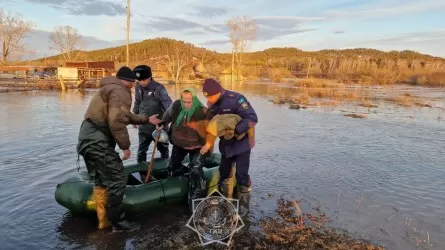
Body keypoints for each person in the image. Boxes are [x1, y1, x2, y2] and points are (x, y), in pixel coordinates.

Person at [76, 66, 161, 232]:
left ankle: (103, 221)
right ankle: (119, 223)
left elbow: (125, 115)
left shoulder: (108, 88)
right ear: (127, 81)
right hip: (97, 141)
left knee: (100, 180)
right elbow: (116, 121)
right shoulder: (120, 91)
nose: (132, 86)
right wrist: (126, 147)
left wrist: (146, 119)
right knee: (117, 178)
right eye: (132, 83)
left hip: (86, 140)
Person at [199, 78, 258, 217]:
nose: (209, 100)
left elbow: (252, 118)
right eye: (206, 97)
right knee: (224, 172)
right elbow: (212, 128)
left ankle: (243, 205)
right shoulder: (212, 106)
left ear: (218, 91)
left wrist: (237, 130)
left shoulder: (236, 99)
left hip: (242, 143)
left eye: (211, 96)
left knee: (242, 174)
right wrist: (207, 145)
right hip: (226, 144)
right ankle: (226, 200)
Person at [158, 87, 214, 198]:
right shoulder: (176, 106)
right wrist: (161, 125)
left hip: (197, 146)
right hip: (179, 144)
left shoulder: (204, 111)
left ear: (194, 99)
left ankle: (197, 194)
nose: (186, 104)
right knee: (172, 166)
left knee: (196, 170)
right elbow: (166, 118)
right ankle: (177, 187)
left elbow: (212, 132)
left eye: (189, 102)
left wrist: (207, 146)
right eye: (184, 101)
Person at [132, 65, 172, 163]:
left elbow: (168, 104)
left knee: (163, 150)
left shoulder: (159, 88)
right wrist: (134, 117)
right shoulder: (138, 87)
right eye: (139, 80)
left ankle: (165, 170)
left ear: (150, 77)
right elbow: (137, 102)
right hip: (144, 127)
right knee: (141, 151)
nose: (141, 82)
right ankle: (141, 172)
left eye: (143, 80)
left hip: (159, 128)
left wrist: (166, 121)